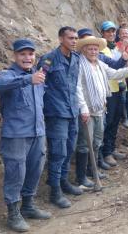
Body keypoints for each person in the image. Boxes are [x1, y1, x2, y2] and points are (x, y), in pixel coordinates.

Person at [0, 39, 51, 232]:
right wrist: (28, 79)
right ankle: (13, 214)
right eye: (23, 54)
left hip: (37, 133)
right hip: (16, 135)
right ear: (15, 56)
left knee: (35, 170)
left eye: (30, 54)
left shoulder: (38, 77)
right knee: (16, 173)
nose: (27, 58)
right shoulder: (7, 75)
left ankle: (28, 206)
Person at [75, 35, 128, 188]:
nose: (93, 51)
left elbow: (114, 74)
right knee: (84, 144)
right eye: (90, 49)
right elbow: (78, 89)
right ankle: (81, 177)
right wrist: (83, 108)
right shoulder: (79, 65)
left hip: (101, 109)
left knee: (96, 141)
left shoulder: (100, 64)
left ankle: (92, 170)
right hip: (87, 111)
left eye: (95, 49)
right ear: (83, 50)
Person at [38, 27, 82, 208]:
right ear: (60, 39)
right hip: (56, 113)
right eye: (70, 38)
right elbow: (39, 83)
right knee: (57, 152)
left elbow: (75, 85)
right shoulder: (48, 59)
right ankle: (55, 191)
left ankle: (63, 181)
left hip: (72, 111)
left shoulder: (76, 59)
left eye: (76, 38)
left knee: (70, 148)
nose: (74, 41)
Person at [99, 21, 128, 168]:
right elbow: (113, 66)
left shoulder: (115, 48)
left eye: (112, 31)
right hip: (107, 91)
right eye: (107, 31)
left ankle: (111, 149)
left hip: (119, 89)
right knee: (108, 122)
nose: (111, 34)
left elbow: (121, 65)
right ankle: (105, 153)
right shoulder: (101, 50)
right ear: (102, 33)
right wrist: (123, 59)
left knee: (116, 120)